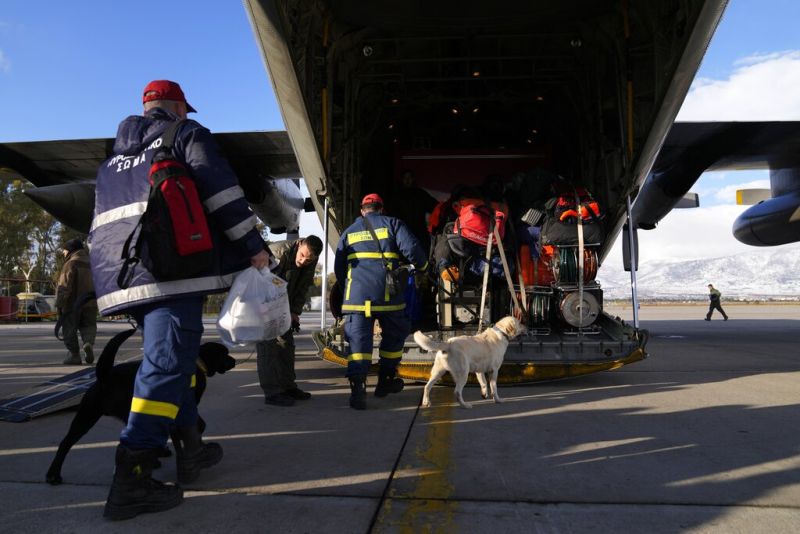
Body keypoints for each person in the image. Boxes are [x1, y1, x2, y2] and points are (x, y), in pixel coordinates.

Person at [90, 80, 270, 520]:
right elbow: (222, 193)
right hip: (169, 271)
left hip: (122, 275)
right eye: (185, 110)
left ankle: (191, 449)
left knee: (178, 362)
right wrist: (252, 245)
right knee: (167, 366)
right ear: (176, 108)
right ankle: (131, 476)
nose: (187, 115)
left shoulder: (114, 159)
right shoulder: (185, 135)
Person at [334, 193, 428, 410]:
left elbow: (339, 269)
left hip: (356, 299)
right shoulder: (393, 224)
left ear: (362, 210)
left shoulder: (348, 232)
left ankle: (358, 390)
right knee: (394, 336)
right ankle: (385, 381)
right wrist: (423, 268)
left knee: (358, 344)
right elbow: (412, 249)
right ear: (381, 208)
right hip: (388, 296)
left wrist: (351, 285)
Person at [257, 235, 323, 406]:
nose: (303, 261)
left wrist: (294, 311)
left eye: (308, 260)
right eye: (302, 255)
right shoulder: (277, 253)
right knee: (268, 347)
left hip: (283, 306)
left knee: (286, 345)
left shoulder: (310, 258)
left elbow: (303, 286)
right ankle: (272, 392)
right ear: (300, 244)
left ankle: (288, 387)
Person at [55, 238, 98, 365]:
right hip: (91, 302)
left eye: (64, 250)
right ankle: (88, 343)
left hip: (73, 304)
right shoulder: (93, 263)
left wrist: (60, 304)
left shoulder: (71, 264)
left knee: (69, 329)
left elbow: (64, 286)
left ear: (70, 250)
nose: (63, 253)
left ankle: (74, 355)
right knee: (88, 326)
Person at [390, 170, 439, 253]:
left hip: (419, 233)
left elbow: (435, 207)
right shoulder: (396, 196)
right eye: (405, 178)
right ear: (401, 180)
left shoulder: (420, 194)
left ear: (413, 179)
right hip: (402, 232)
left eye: (409, 178)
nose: (407, 180)